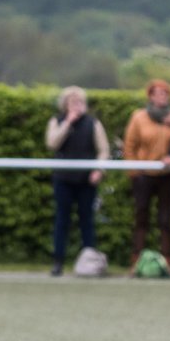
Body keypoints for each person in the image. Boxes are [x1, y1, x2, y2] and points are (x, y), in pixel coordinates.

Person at [45, 86, 109, 276]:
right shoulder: (56, 121)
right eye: (73, 102)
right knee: (62, 220)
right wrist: (67, 123)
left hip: (86, 180)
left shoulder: (93, 123)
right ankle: (58, 261)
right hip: (63, 178)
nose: (77, 106)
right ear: (65, 105)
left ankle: (90, 263)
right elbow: (51, 143)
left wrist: (99, 169)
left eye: (80, 102)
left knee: (87, 220)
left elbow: (103, 150)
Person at [123, 79, 170, 272]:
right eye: (158, 93)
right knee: (141, 216)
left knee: (165, 219)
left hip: (168, 176)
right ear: (150, 96)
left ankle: (168, 261)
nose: (162, 97)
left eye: (165, 93)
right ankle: (136, 259)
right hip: (144, 175)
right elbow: (130, 146)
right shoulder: (139, 117)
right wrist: (134, 172)